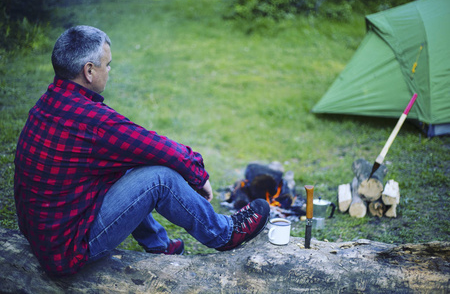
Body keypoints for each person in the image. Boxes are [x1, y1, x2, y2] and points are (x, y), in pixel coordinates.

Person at [14, 25, 270, 276]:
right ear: (89, 71)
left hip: (46, 233)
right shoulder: (92, 121)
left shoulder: (49, 102)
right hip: (67, 248)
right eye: (107, 64)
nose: (110, 69)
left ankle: (159, 246)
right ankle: (224, 234)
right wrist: (199, 176)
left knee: (124, 166)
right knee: (160, 179)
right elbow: (156, 147)